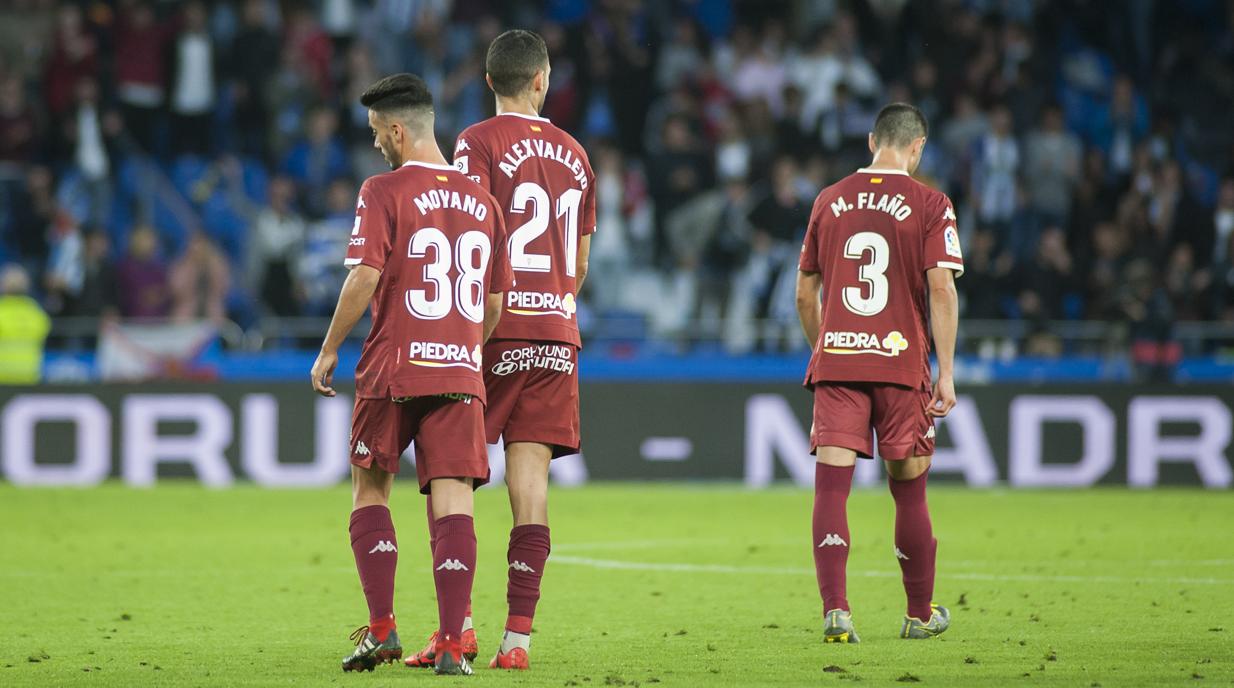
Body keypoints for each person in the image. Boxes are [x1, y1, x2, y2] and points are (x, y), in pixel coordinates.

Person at [404, 29, 595, 672]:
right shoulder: (576, 154)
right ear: (543, 80)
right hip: (557, 334)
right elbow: (580, 264)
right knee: (531, 485)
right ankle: (518, 640)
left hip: (494, 329)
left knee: (451, 472)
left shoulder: (477, 142)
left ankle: (453, 630)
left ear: (490, 82)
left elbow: (469, 226)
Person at [310, 73, 512, 675]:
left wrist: (327, 349)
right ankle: (453, 642)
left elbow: (365, 274)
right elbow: (496, 303)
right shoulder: (485, 201)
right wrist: (461, 347)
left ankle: (382, 630)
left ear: (398, 129)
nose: (375, 143)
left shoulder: (383, 190)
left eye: (377, 132)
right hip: (459, 370)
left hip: (393, 367)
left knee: (370, 488)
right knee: (455, 502)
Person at [794, 103, 962, 643]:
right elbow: (942, 288)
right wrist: (947, 373)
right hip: (900, 362)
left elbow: (805, 293)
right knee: (909, 491)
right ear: (918, 148)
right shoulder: (932, 203)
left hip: (840, 361)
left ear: (872, 141)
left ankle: (837, 613)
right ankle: (918, 614)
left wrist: (825, 347)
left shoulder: (829, 199)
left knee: (831, 489)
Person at [0, 264, 51, 384]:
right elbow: (45, 330)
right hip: (30, 375)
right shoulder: (35, 311)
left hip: (3, 377)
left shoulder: (1, 310)